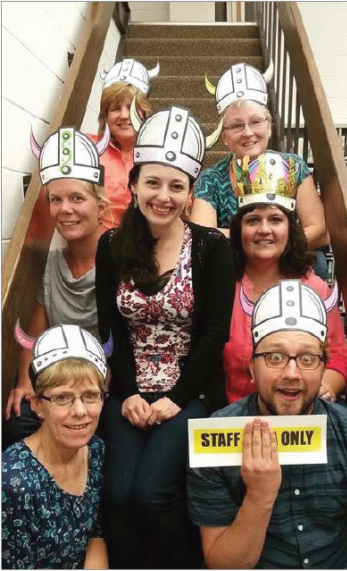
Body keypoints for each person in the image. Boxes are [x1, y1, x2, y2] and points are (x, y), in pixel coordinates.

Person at [95, 100, 235, 569]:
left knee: (153, 493)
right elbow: (109, 328)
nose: (163, 195)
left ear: (191, 193)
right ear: (133, 184)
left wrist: (176, 396)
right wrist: (130, 393)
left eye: (177, 186)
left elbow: (215, 332)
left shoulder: (212, 248)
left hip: (188, 389)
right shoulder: (111, 246)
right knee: (117, 496)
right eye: (152, 182)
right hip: (130, 389)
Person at [187, 280, 347, 570]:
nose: (292, 373)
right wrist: (259, 497)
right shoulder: (214, 439)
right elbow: (224, 565)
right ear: (252, 367)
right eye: (275, 357)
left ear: (324, 367)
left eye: (307, 358)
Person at [3, 127, 110, 449]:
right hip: (57, 385)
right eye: (56, 200)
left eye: (77, 198)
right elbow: (35, 335)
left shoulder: (118, 263)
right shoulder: (50, 264)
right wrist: (24, 382)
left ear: (100, 207)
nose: (66, 209)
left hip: (101, 385)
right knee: (17, 417)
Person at [224, 151, 347, 404]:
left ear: (290, 230)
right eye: (253, 220)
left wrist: (326, 386)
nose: (264, 229)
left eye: (275, 219)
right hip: (234, 417)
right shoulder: (223, 288)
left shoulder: (315, 289)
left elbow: (337, 357)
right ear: (239, 231)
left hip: (301, 415)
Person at [190, 62, 328, 275]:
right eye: (236, 125)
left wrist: (268, 247)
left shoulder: (293, 166)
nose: (247, 132)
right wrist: (259, 242)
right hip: (232, 267)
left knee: (317, 263)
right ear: (224, 137)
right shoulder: (211, 179)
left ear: (269, 127)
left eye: (255, 122)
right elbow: (202, 235)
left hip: (285, 261)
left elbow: (318, 230)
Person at [2, 323, 110, 569]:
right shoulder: (11, 485)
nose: (80, 411)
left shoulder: (95, 450)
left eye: (90, 395)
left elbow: (95, 533)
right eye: (62, 398)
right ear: (37, 405)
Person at [89, 58, 158, 228]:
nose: (124, 115)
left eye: (132, 107)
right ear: (105, 116)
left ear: (145, 112)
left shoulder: (162, 153)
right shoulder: (86, 149)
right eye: (115, 109)